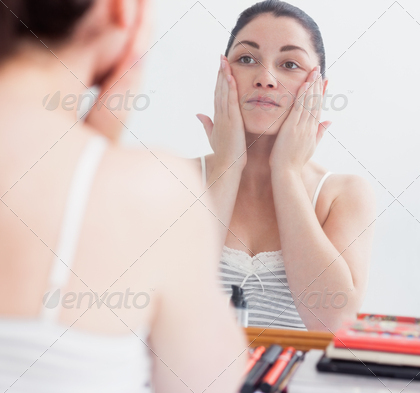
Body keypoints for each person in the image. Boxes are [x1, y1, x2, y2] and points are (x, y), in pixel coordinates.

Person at [0, 0, 246, 392]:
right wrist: (98, 156)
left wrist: (96, 149)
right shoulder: (155, 191)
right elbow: (213, 381)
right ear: (121, 10)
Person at [196, 0, 376, 332]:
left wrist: (287, 173)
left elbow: (332, 323)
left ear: (319, 91)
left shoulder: (344, 195)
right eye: (247, 59)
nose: (265, 78)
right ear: (224, 73)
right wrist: (227, 166)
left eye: (289, 64)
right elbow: (165, 302)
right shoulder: (175, 179)